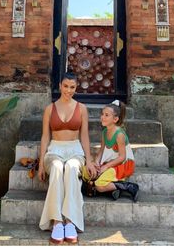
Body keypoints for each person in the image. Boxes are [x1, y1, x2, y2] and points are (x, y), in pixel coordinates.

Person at [38, 72, 97, 244]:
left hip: (75, 150)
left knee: (71, 168)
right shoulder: (50, 109)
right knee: (56, 167)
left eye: (72, 87)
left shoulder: (82, 108)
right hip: (55, 149)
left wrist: (90, 160)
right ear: (60, 86)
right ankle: (57, 222)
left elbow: (84, 136)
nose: (68, 90)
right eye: (66, 86)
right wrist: (42, 163)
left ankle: (70, 222)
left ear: (76, 87)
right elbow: (44, 137)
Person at [82, 100, 139, 202]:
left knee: (99, 184)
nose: (102, 117)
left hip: (123, 164)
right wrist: (96, 162)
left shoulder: (119, 135)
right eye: (102, 114)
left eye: (106, 115)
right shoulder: (105, 132)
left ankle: (128, 186)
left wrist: (106, 166)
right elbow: (101, 151)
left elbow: (122, 157)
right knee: (86, 172)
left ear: (115, 119)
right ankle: (112, 190)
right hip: (110, 162)